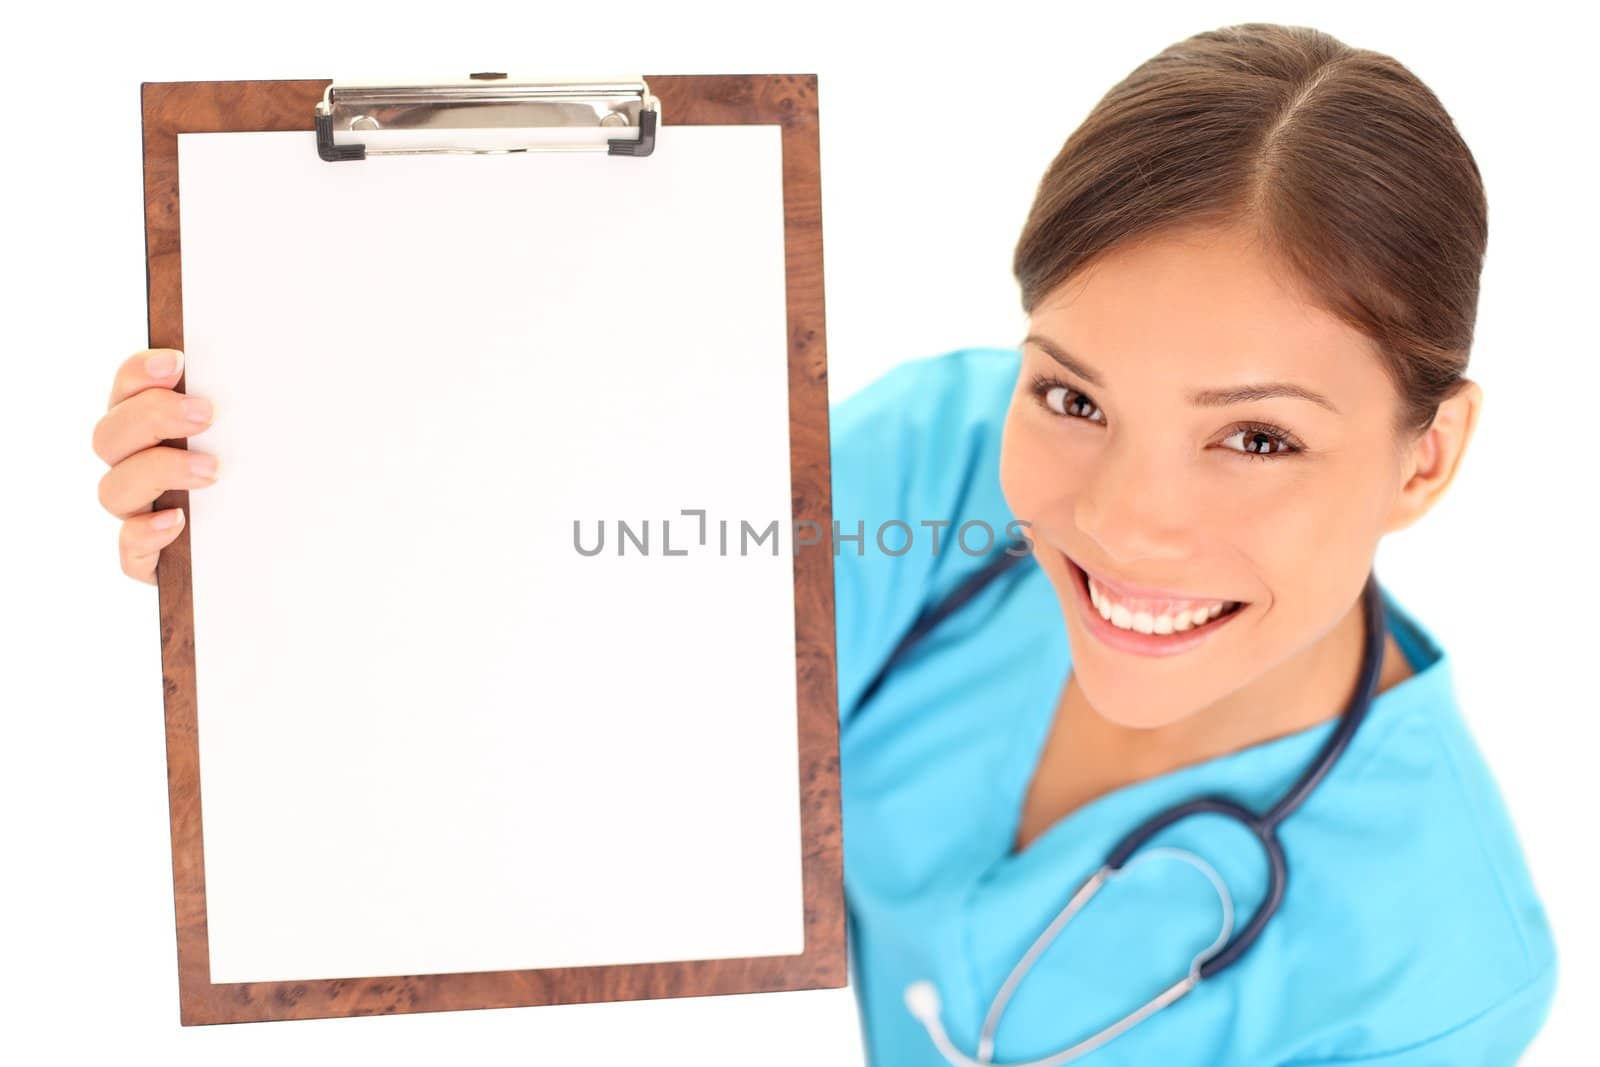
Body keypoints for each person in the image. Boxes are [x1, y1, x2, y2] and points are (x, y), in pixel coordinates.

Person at [94, 22, 1555, 1066]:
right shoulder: (931, 465)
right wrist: (268, 536)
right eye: (1072, 394)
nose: (1120, 521)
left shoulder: (1441, 977)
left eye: (1257, 437)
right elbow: (556, 660)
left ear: (1427, 454)